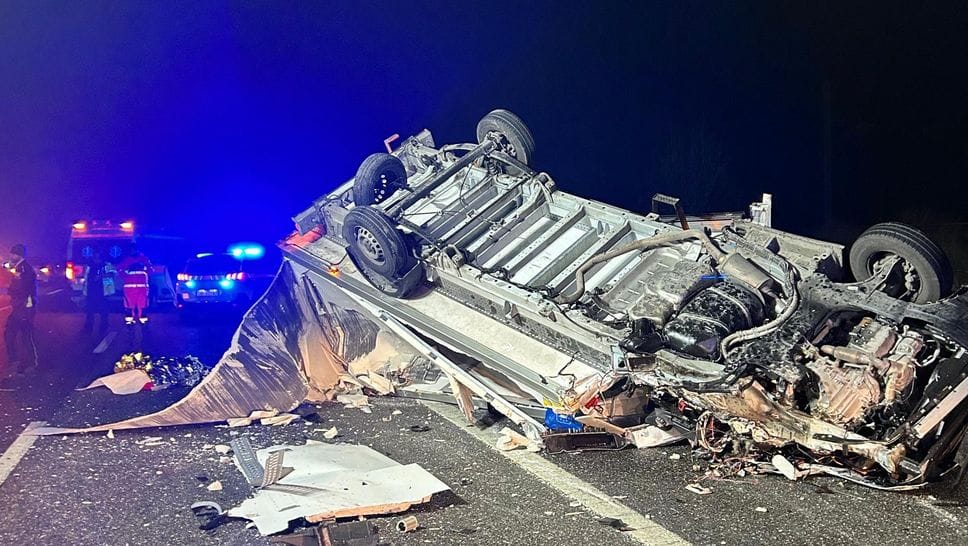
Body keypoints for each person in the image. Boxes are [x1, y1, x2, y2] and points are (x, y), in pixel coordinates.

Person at [4, 243, 38, 376]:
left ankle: (24, 363)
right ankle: (23, 362)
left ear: (19, 255)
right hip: (21, 307)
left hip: (23, 308)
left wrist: (11, 292)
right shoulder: (21, 268)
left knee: (21, 335)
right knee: (19, 335)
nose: (11, 256)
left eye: (13, 254)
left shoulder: (24, 269)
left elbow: (23, 289)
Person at [118, 246, 151, 325]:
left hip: (142, 287)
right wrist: (127, 275)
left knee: (142, 305)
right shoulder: (127, 260)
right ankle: (129, 322)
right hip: (130, 287)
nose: (134, 251)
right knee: (129, 305)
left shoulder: (144, 259)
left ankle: (143, 322)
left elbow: (150, 269)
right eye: (133, 250)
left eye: (135, 250)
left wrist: (142, 271)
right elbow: (119, 270)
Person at [83, 251, 112, 333]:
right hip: (91, 291)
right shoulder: (89, 265)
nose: (97, 259)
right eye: (95, 257)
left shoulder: (106, 265)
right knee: (90, 311)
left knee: (104, 311)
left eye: (98, 257)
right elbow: (85, 277)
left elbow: (112, 274)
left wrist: (102, 276)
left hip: (103, 291)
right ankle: (88, 328)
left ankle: (104, 327)